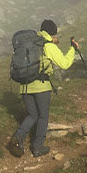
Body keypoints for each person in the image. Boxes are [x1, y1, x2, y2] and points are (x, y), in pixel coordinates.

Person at [7, 19, 78, 158]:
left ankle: (18, 136)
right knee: (43, 115)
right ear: (52, 33)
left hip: (25, 85)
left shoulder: (32, 42)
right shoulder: (48, 45)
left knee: (32, 114)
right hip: (41, 86)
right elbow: (64, 63)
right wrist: (73, 49)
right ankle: (38, 147)